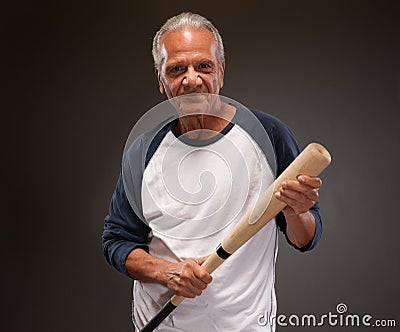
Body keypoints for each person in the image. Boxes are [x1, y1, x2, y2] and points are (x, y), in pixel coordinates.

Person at [102, 12, 323, 332]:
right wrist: (166, 272)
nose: (191, 79)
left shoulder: (269, 136)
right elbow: (117, 241)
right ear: (161, 79)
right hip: (161, 325)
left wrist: (296, 213)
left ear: (221, 71)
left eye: (203, 66)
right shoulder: (144, 151)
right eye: (177, 69)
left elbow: (305, 237)